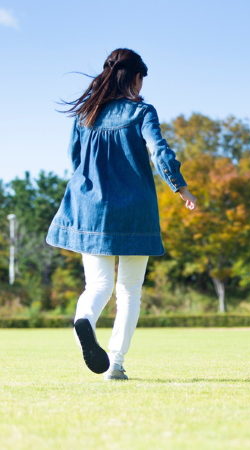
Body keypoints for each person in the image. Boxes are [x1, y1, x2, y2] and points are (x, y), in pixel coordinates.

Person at [46, 48, 197, 380]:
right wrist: (181, 188)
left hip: (89, 207)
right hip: (134, 211)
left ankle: (84, 319)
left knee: (97, 285)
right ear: (136, 78)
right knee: (129, 289)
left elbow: (75, 161)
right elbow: (159, 151)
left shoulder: (84, 115)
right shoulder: (141, 111)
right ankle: (115, 363)